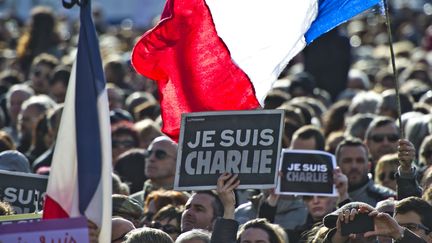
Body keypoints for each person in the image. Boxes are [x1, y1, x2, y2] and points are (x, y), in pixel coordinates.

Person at [335, 137, 395, 206]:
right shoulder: (325, 197)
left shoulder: (386, 199)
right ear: (336, 165)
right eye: (347, 161)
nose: (354, 166)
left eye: (360, 161)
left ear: (369, 166)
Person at [131, 136, 178, 205]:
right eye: (149, 153)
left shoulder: (190, 203)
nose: (151, 158)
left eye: (160, 154)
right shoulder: (132, 203)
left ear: (178, 161)